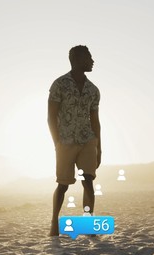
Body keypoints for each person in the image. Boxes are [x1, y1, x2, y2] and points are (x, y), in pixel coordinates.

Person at [47, 45, 101, 236]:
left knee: (88, 182)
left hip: (88, 141)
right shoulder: (59, 85)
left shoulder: (93, 90)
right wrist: (57, 143)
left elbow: (95, 120)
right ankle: (54, 223)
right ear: (77, 60)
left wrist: (99, 148)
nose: (92, 61)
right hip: (65, 142)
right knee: (63, 184)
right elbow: (51, 117)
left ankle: (88, 223)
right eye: (88, 57)